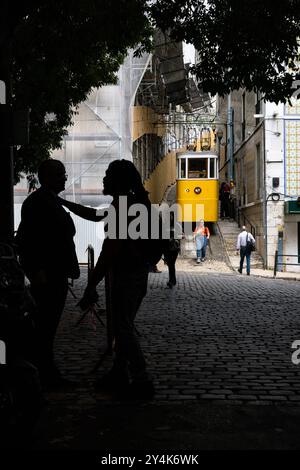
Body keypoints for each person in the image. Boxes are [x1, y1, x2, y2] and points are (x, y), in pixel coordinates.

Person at [62, 159, 156, 400]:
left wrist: (91, 283)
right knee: (123, 326)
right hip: (136, 274)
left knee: (123, 329)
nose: (104, 179)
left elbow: (110, 251)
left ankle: (141, 379)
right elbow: (95, 216)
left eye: (108, 175)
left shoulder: (124, 208)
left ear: (118, 181)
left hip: (126, 276)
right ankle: (119, 372)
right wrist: (66, 203)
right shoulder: (131, 204)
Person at [15, 159, 80, 387]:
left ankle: (44, 372)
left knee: (47, 327)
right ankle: (44, 374)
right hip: (48, 275)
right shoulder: (40, 203)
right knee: (45, 327)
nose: (65, 177)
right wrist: (38, 272)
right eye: (61, 174)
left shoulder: (47, 200)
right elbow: (29, 241)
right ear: (49, 177)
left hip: (54, 272)